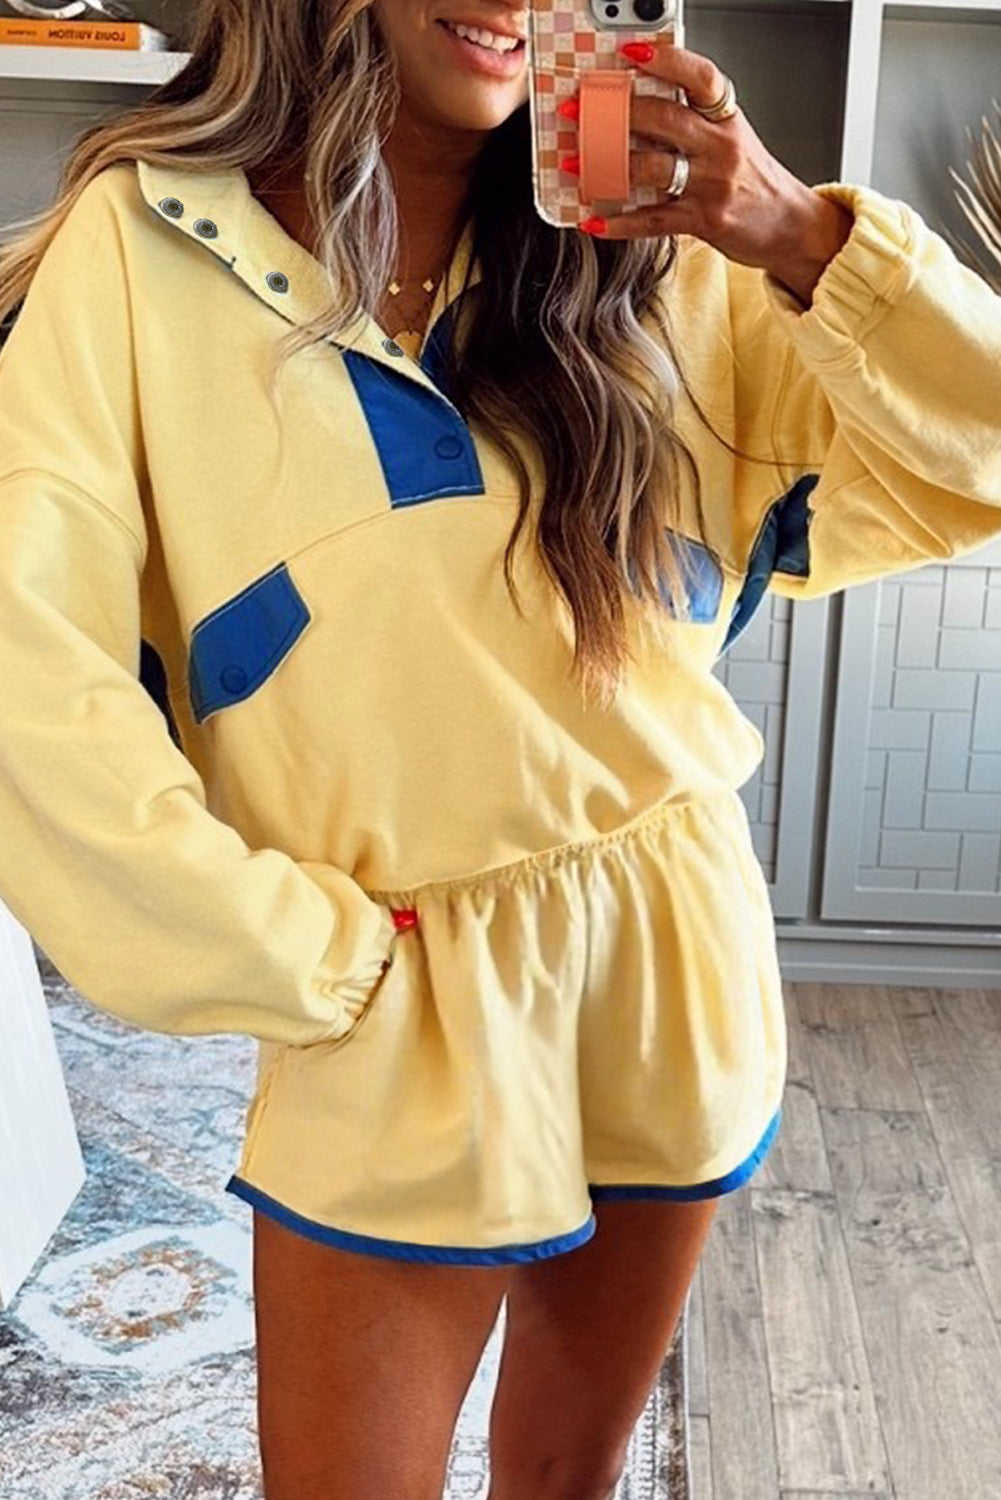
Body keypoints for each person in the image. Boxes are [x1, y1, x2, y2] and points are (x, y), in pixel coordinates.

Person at [1, 1, 999, 1496]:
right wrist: (282, 952)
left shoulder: (653, 242)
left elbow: (976, 443)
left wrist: (792, 232)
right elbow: (29, 663)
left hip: (667, 943)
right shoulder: (140, 242)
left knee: (563, 1481)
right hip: (397, 983)